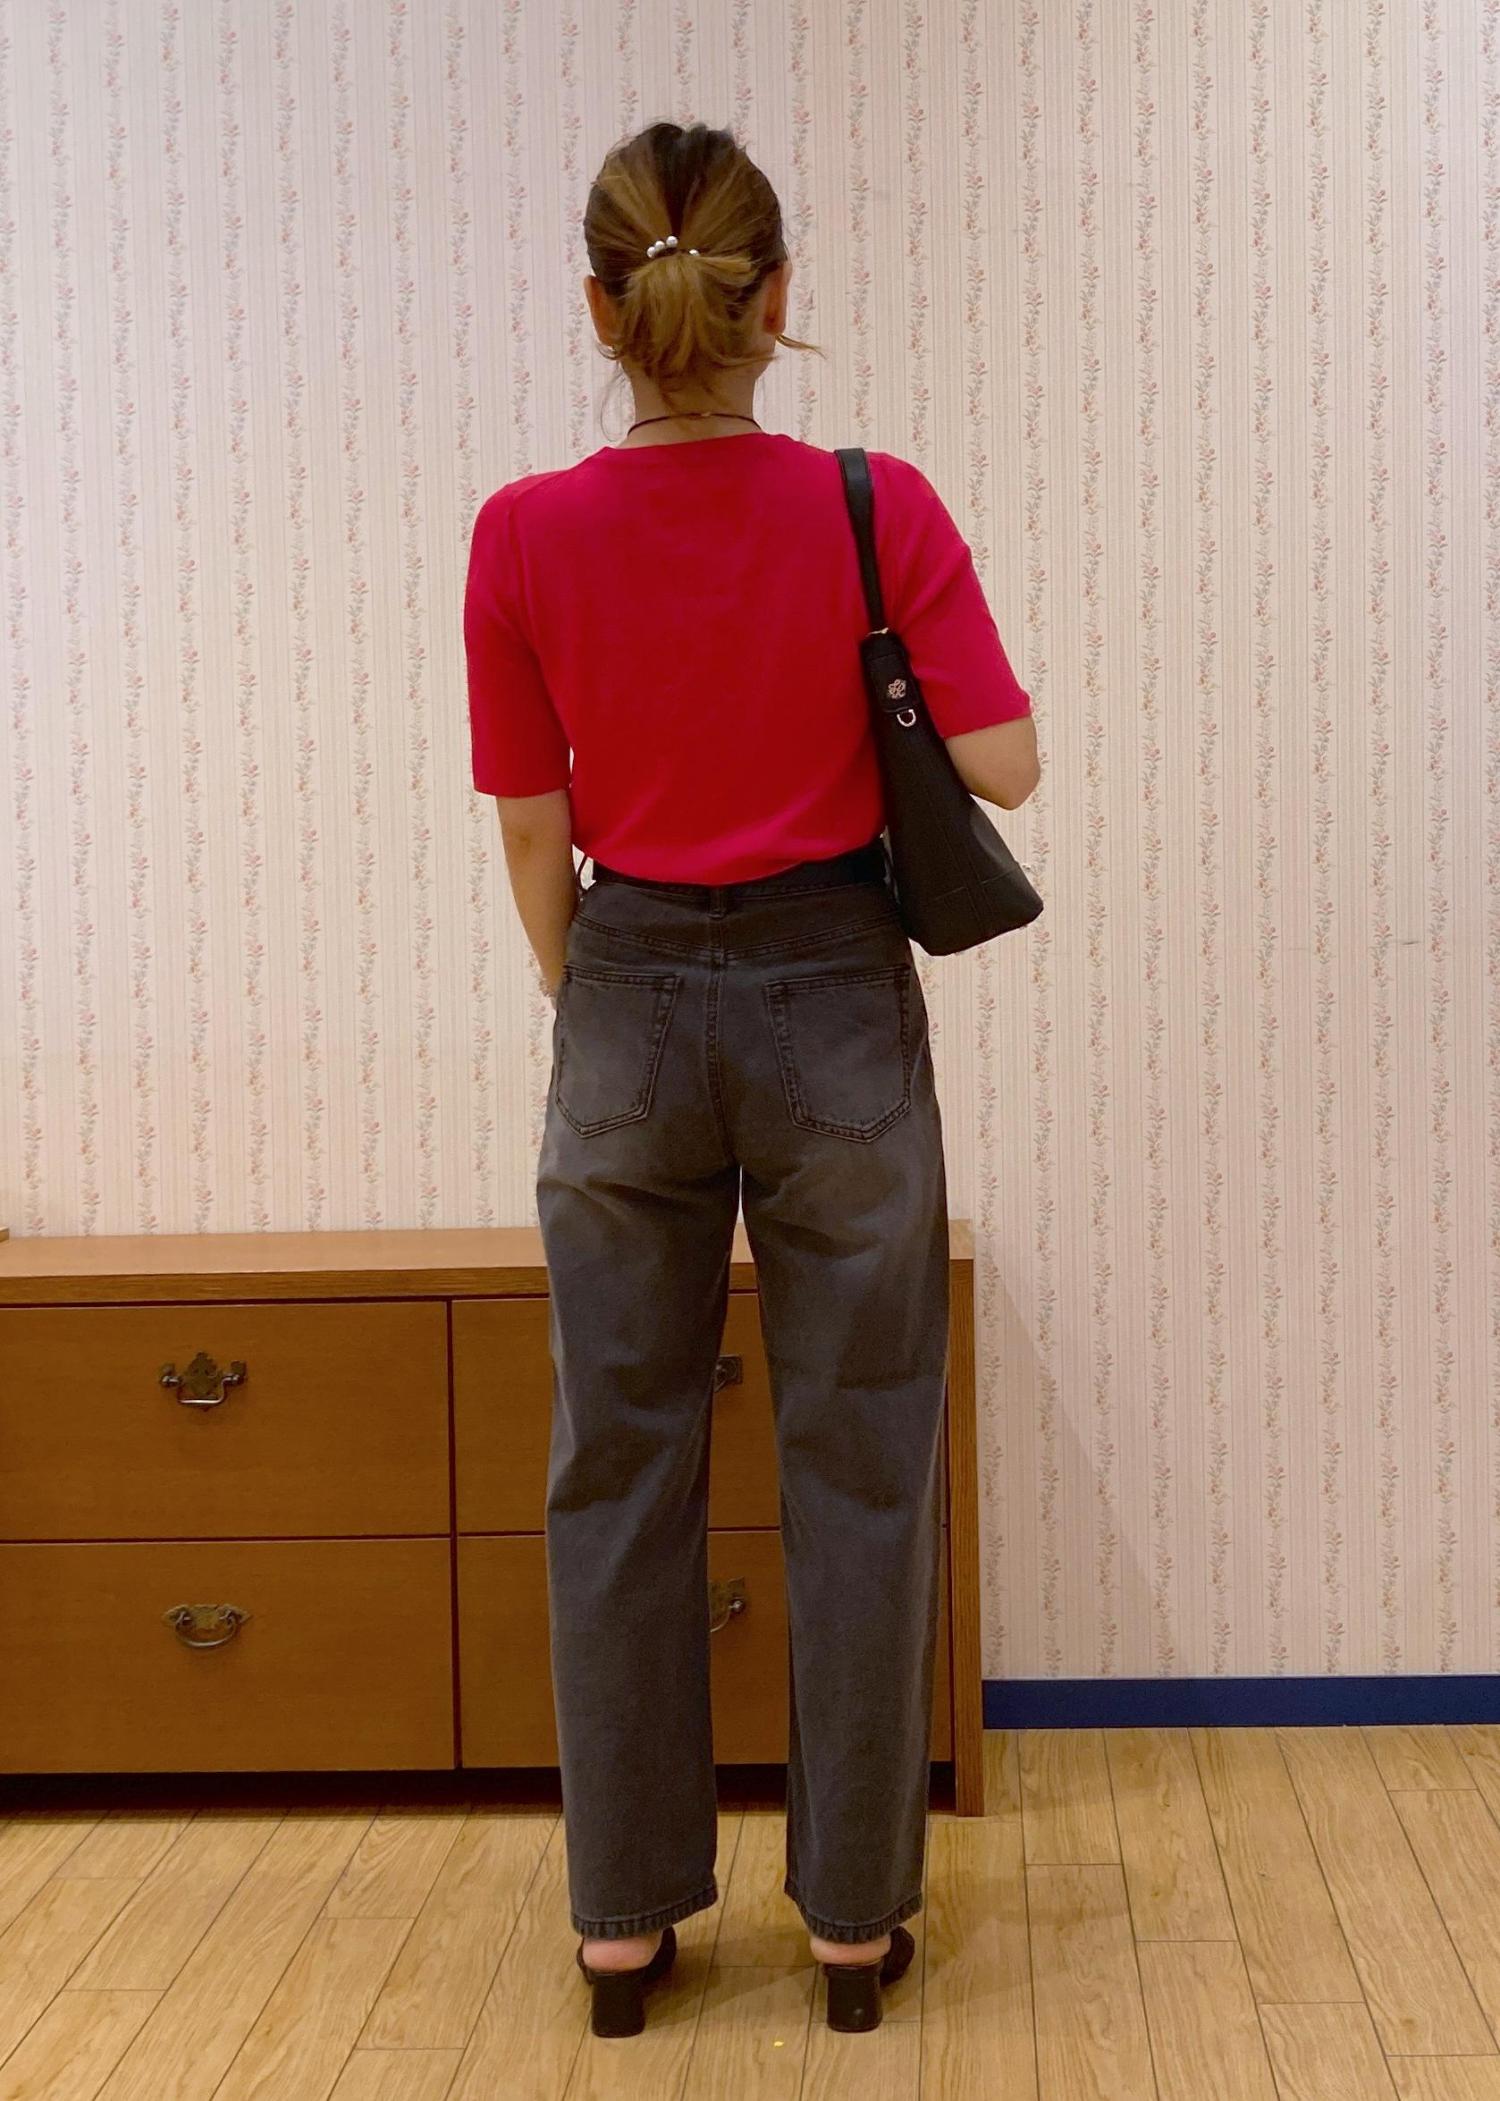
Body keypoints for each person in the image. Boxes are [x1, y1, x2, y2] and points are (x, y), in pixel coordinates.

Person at [463, 119, 1040, 2039]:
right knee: (859, 1458)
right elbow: (1009, 766)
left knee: (615, 1461)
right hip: (834, 996)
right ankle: (855, 1927)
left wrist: (603, 1000)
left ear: (600, 311)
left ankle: (623, 1931)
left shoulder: (520, 533)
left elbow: (534, 832)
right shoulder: (878, 506)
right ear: (778, 298)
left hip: (625, 983)